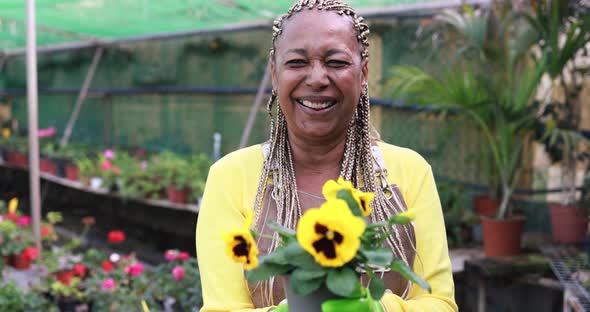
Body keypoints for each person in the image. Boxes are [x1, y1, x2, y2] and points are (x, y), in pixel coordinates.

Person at [196, 0, 457, 311]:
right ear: (274, 74)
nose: (317, 78)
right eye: (296, 62)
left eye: (335, 62)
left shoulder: (408, 171)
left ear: (363, 74)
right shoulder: (231, 177)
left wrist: (375, 308)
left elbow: (440, 303)